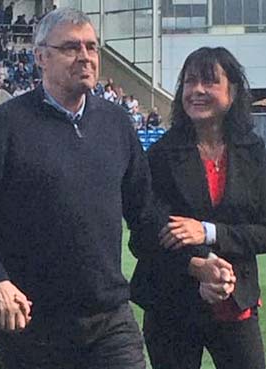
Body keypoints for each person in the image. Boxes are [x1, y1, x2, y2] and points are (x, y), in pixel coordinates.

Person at [0, 8, 164, 369]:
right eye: (71, 47)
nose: (85, 57)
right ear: (41, 57)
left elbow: (144, 212)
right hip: (33, 323)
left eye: (92, 47)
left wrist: (195, 259)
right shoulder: (6, 125)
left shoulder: (116, 123)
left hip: (109, 320)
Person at [130, 47, 266, 369]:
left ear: (232, 92)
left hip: (235, 303)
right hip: (171, 304)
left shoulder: (255, 153)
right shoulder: (161, 155)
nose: (197, 91)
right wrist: (198, 265)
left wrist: (208, 232)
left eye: (209, 81)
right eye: (190, 82)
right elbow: (144, 237)